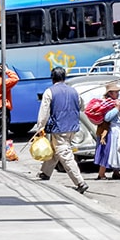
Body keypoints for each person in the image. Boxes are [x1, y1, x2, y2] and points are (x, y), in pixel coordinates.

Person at [35, 66, 89, 194]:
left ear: (52, 78)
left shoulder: (49, 92)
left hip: (59, 128)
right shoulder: (74, 91)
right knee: (55, 150)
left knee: (64, 154)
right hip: (73, 127)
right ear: (64, 78)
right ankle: (45, 173)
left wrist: (40, 127)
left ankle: (80, 182)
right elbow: (82, 106)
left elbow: (44, 112)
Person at [93, 81, 120, 180]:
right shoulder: (106, 104)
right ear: (110, 93)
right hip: (112, 131)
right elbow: (107, 117)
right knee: (108, 152)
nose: (118, 93)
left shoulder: (116, 102)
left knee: (119, 151)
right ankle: (101, 174)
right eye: (115, 92)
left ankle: (116, 172)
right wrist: (117, 108)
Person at [0, 63, 19, 160]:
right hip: (1, 110)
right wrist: (7, 70)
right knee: (1, 132)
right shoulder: (2, 82)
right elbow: (15, 78)